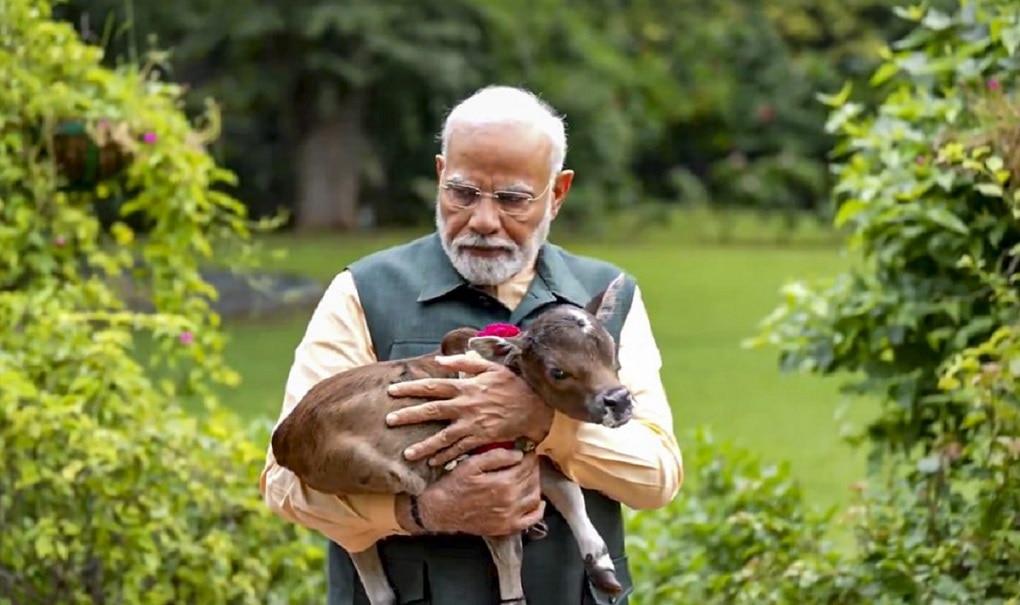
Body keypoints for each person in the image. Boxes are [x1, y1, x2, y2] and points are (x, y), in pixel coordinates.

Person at [259, 85, 684, 605]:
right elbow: (284, 482)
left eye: (511, 199)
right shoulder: (365, 292)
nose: (483, 220)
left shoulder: (608, 300)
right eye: (462, 193)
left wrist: (544, 425)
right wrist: (421, 513)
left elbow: (657, 478)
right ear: (440, 175)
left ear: (557, 193)